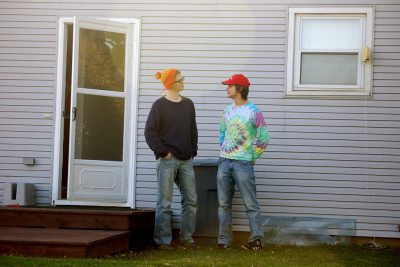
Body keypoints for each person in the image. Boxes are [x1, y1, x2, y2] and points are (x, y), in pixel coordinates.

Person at [145, 68, 198, 250]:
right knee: (164, 203)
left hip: (186, 160)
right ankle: (163, 241)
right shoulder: (159, 105)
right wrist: (163, 152)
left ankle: (187, 238)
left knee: (191, 201)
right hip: (167, 160)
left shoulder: (188, 104)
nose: (184, 81)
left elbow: (193, 130)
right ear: (171, 84)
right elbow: (150, 132)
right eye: (181, 79)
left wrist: (193, 151)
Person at [216, 74, 270, 251]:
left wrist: (253, 157)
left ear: (240, 88)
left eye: (230, 86)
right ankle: (224, 240)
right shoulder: (226, 110)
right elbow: (222, 132)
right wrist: (225, 148)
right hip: (224, 162)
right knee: (223, 203)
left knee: (250, 203)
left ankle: (256, 240)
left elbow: (264, 137)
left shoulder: (255, 111)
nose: (227, 88)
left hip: (243, 164)